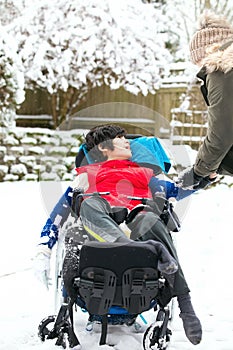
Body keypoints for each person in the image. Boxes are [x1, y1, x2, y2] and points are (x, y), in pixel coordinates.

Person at [34, 124, 203, 345]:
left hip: (137, 221)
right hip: (98, 231)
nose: (128, 141)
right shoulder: (86, 177)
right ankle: (128, 247)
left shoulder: (145, 174)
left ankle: (185, 305)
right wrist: (43, 251)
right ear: (104, 147)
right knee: (89, 205)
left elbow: (179, 187)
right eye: (121, 138)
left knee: (150, 219)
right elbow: (57, 217)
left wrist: (205, 173)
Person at [177, 11, 233, 190]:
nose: (201, 68)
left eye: (199, 62)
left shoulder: (221, 67)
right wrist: (214, 167)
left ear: (207, 50)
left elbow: (223, 131)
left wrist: (199, 171)